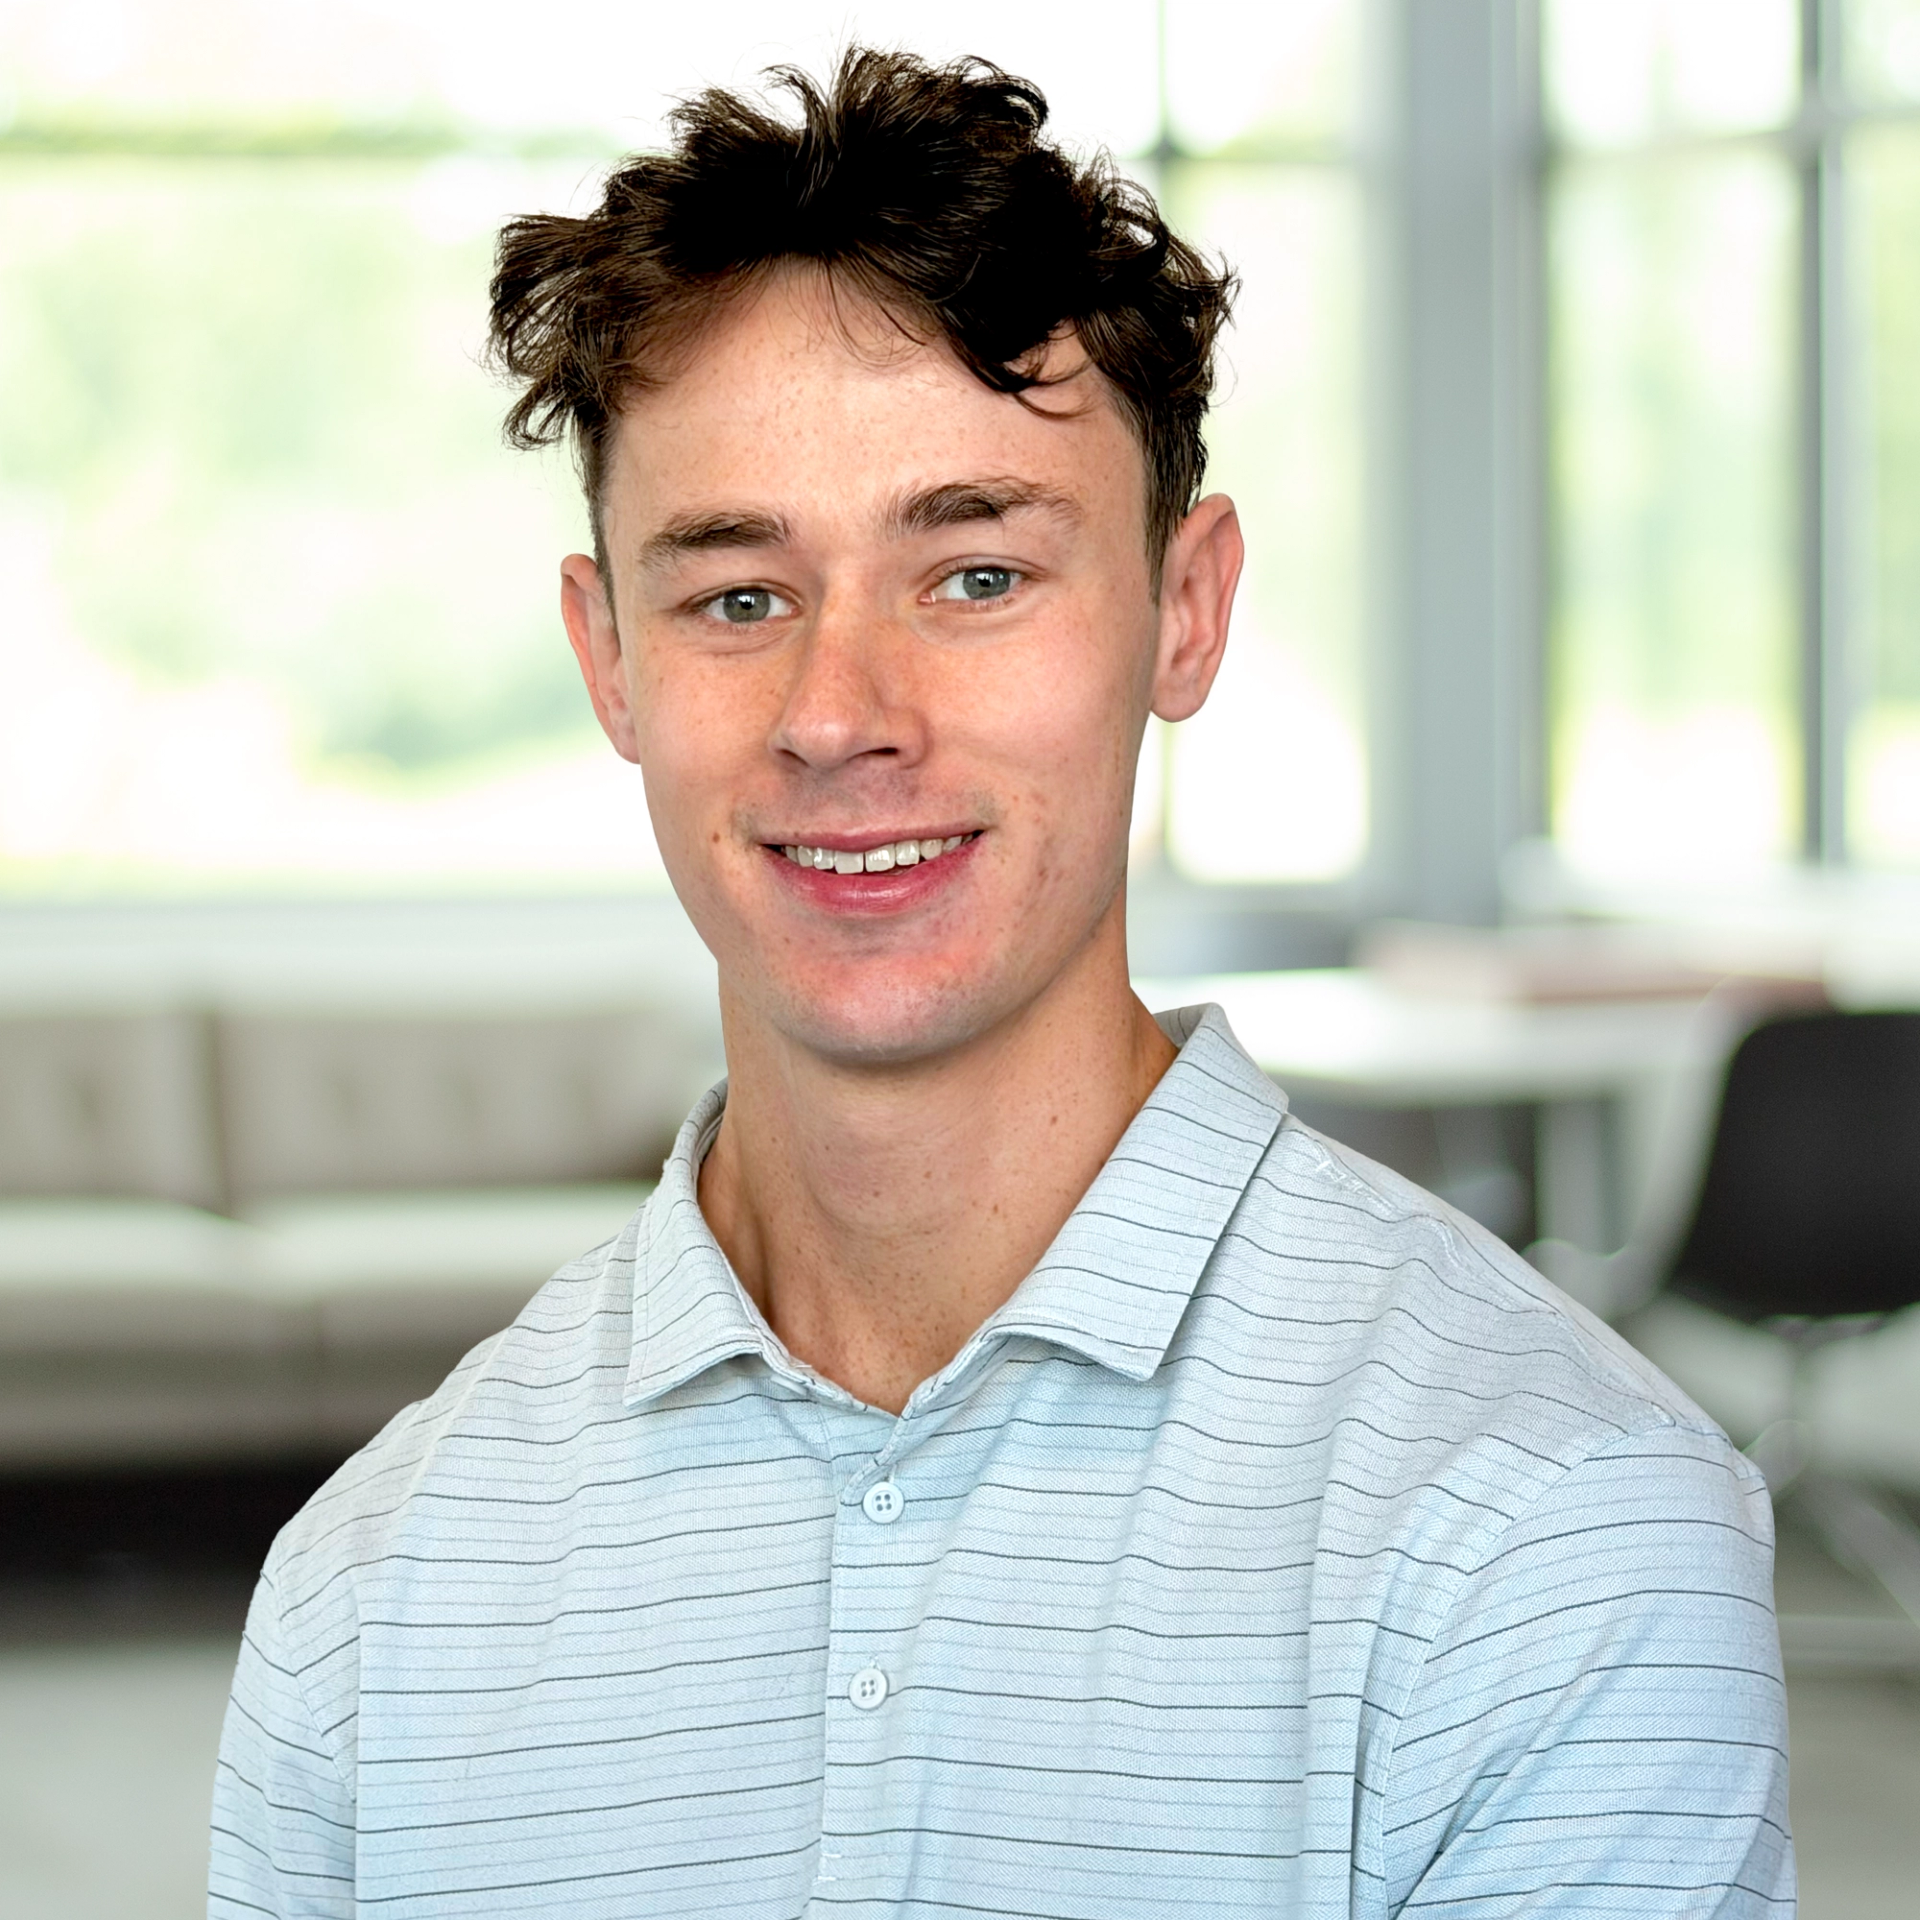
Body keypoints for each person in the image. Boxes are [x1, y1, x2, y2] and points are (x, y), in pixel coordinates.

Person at [209, 49, 1792, 1919]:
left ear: (1182, 612)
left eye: (972, 573)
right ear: (609, 659)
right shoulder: (372, 1594)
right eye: (736, 596)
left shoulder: (1557, 1530)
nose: (839, 717)